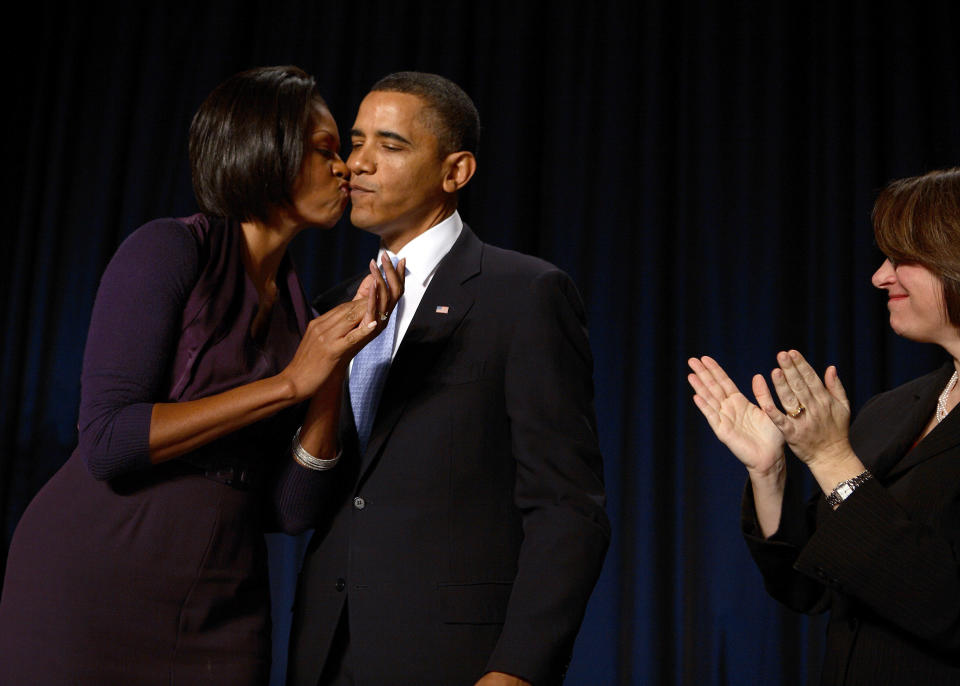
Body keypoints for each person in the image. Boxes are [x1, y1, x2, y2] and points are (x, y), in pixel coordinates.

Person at [0, 66, 403, 685]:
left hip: (225, 604)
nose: (346, 168)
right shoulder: (167, 250)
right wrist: (291, 382)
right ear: (264, 151)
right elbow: (108, 441)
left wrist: (332, 367)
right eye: (326, 150)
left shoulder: (305, 320)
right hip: (92, 582)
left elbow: (291, 510)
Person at [284, 72, 610, 686]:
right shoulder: (331, 311)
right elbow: (314, 501)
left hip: (455, 661)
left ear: (455, 171)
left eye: (391, 145)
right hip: (326, 653)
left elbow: (567, 507)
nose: (357, 164)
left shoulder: (524, 294)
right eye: (355, 142)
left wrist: (518, 670)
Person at [687, 168, 960, 684]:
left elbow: (945, 608)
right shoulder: (894, 410)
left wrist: (832, 459)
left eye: (902, 259)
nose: (880, 276)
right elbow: (811, 589)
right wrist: (770, 473)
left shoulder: (848, 434)